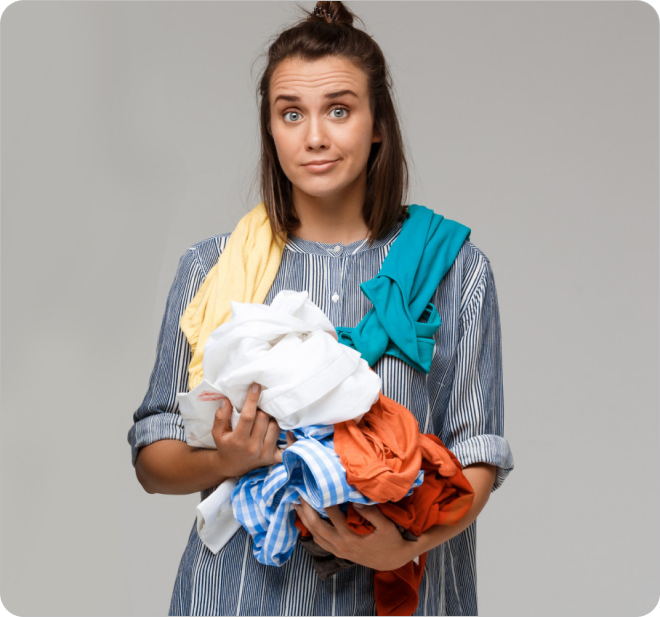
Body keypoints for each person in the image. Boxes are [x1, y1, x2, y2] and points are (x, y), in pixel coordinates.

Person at [127, 2, 514, 615]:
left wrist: (402, 549)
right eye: (291, 114)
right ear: (270, 129)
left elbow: (476, 456)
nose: (314, 136)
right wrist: (227, 458)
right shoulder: (212, 270)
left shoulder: (454, 269)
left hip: (407, 593)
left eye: (339, 109)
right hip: (242, 598)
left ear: (376, 122)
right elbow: (154, 457)